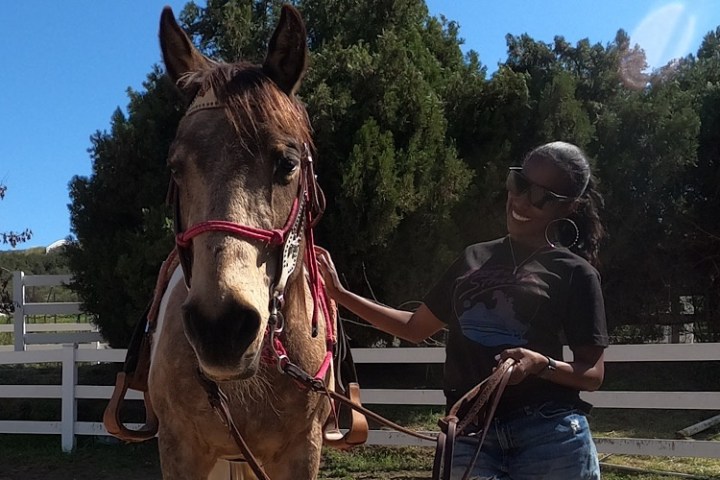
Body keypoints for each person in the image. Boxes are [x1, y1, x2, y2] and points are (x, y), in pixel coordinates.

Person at [317, 141, 608, 480]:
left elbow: (592, 374)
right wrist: (339, 294)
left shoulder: (575, 272)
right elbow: (414, 327)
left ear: (568, 207)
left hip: (547, 434)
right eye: (519, 183)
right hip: (470, 433)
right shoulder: (474, 257)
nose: (521, 200)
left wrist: (541, 364)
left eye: (541, 196)